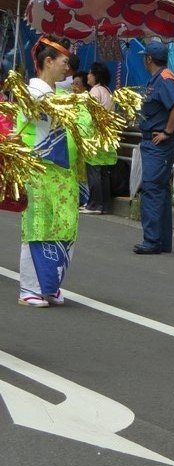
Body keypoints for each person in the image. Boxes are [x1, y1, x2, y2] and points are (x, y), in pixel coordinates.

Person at [17, 35, 80, 307]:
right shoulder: (31, 92)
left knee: (64, 225)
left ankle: (50, 284)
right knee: (38, 226)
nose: (68, 68)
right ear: (48, 61)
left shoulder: (58, 94)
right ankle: (29, 287)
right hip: (39, 168)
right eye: (65, 62)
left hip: (62, 172)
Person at [134, 41, 174, 255]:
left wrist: (167, 132)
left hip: (158, 143)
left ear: (149, 59)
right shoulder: (158, 79)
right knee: (159, 190)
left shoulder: (164, 79)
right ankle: (161, 240)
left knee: (152, 188)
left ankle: (152, 240)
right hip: (152, 142)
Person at [80, 61, 117, 215]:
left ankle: (94, 204)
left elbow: (91, 114)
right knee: (103, 171)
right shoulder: (108, 91)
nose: (87, 75)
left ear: (95, 76)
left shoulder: (95, 91)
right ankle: (104, 205)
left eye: (90, 73)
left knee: (93, 169)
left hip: (94, 136)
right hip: (106, 135)